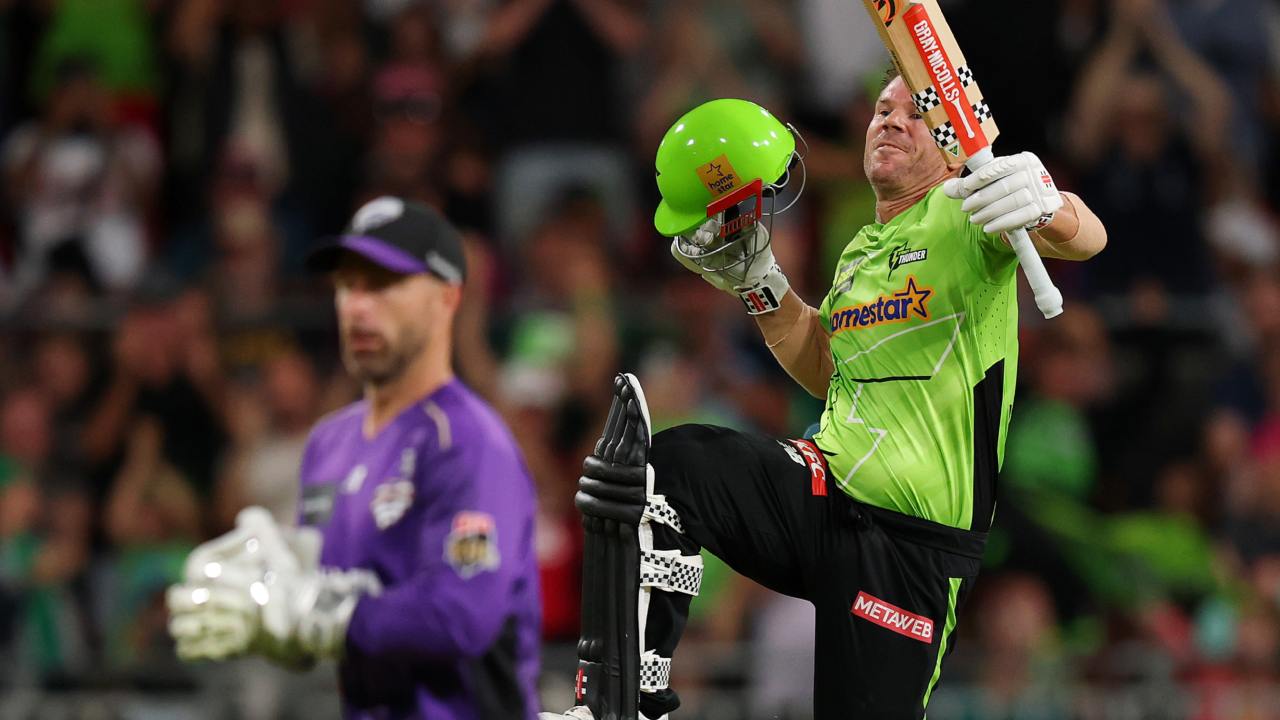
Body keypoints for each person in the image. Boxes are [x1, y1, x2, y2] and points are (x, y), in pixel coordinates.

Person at [548, 78, 1107, 720]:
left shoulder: (967, 213)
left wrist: (1048, 204)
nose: (890, 121)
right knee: (663, 469)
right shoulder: (860, 253)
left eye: (916, 114)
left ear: (955, 147)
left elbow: (1087, 238)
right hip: (825, 490)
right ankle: (621, 702)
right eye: (882, 110)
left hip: (910, 546)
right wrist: (761, 285)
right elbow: (830, 369)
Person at [166, 197, 542, 719]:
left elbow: (462, 615)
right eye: (348, 285)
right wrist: (266, 610)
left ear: (447, 297)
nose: (358, 306)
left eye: (383, 284)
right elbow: (321, 617)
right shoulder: (329, 443)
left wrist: (321, 614)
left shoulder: (466, 440)